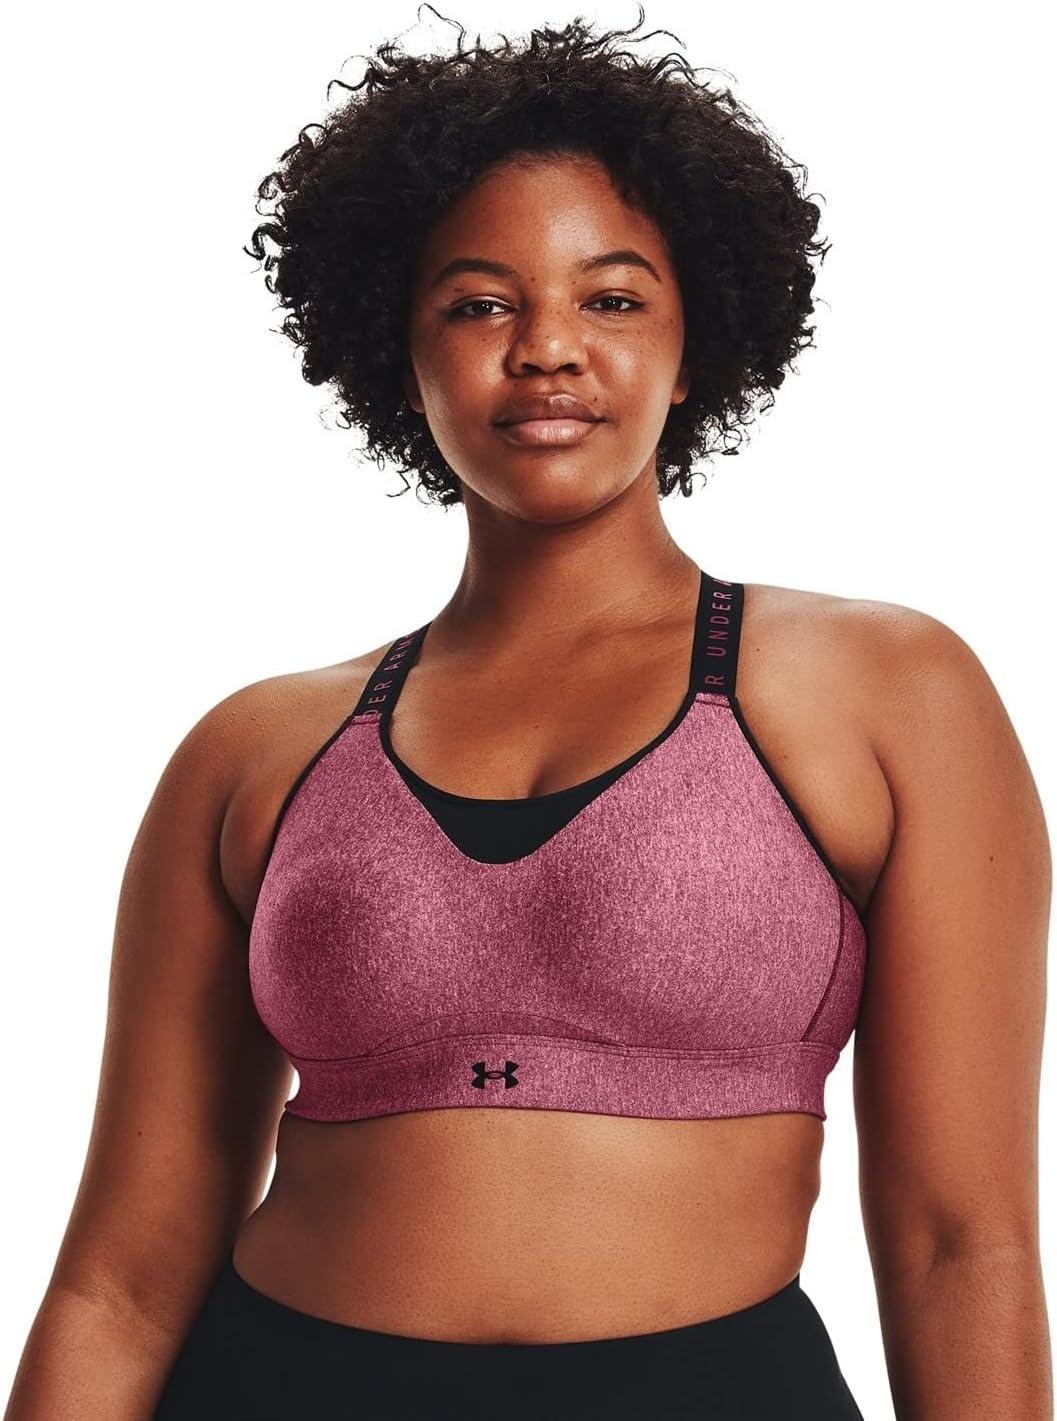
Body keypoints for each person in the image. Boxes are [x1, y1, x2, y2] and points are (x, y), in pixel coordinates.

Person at [5, 9, 1051, 1420]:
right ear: (403, 355)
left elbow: (957, 1245)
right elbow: (119, 1283)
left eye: (611, 300)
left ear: (694, 344)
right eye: (479, 304)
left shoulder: (884, 692)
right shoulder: (254, 753)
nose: (547, 348)